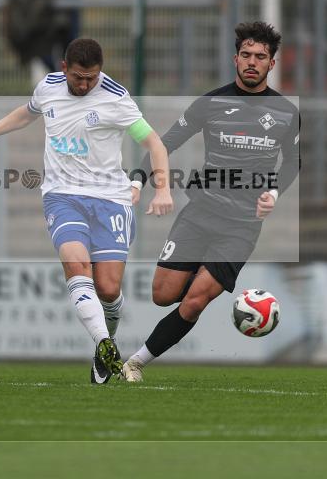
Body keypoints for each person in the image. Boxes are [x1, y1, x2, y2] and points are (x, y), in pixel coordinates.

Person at [0, 38, 173, 383]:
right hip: (62, 195)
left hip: (110, 199)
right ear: (64, 68)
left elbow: (153, 142)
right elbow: (27, 113)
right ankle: (104, 344)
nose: (85, 84)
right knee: (76, 264)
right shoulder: (49, 87)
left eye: (92, 77)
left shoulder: (116, 97)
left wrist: (162, 188)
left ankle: (107, 339)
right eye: (79, 77)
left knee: (109, 289)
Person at [120, 21, 300, 382]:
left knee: (195, 301)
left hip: (242, 225)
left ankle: (134, 363)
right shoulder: (211, 103)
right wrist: (138, 180)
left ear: (272, 63)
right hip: (201, 212)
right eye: (246, 55)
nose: (252, 62)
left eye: (260, 57)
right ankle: (200, 276)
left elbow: (294, 161)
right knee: (162, 294)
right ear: (235, 59)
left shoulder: (286, 112)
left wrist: (273, 193)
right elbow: (164, 143)